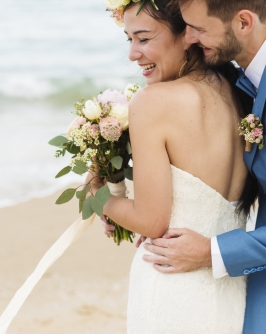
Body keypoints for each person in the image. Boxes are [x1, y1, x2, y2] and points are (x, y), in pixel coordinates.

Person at [93, 0, 257, 332]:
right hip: (230, 290)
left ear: (188, 34)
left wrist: (95, 196)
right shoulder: (240, 95)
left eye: (144, 38)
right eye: (129, 39)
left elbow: (151, 222)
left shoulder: (153, 102)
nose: (133, 54)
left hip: (171, 287)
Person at [137, 0, 266, 332]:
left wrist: (212, 251)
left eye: (198, 28)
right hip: (242, 290)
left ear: (244, 23)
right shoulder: (240, 85)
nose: (189, 38)